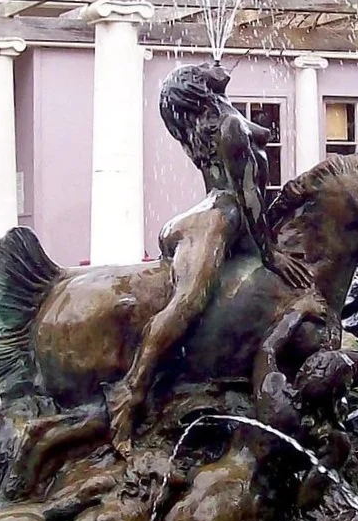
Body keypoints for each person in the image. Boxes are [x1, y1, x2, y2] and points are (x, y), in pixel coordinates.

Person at [106, 61, 312, 452]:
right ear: (195, 88)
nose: (212, 65)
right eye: (201, 69)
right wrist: (270, 254)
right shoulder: (227, 126)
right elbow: (249, 195)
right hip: (222, 218)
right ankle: (129, 393)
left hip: (223, 213)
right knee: (187, 302)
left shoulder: (221, 118)